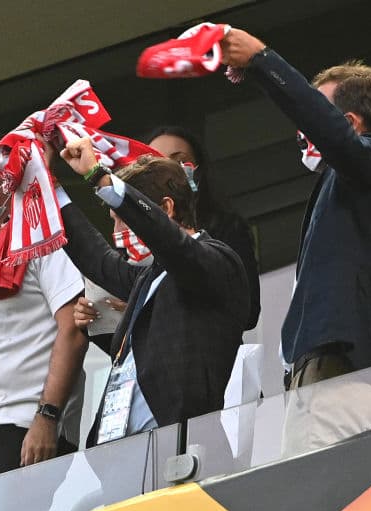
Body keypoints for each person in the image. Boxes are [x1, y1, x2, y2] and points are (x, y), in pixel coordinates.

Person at [219, 29, 371, 389]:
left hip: (341, 371)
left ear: (351, 123)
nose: (304, 129)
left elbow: (331, 135)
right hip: (321, 372)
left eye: (317, 112)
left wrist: (261, 60)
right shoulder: (348, 185)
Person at [59, 141, 249, 444]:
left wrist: (101, 178)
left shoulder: (215, 260)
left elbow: (175, 247)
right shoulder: (149, 276)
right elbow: (96, 257)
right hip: (121, 451)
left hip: (180, 447)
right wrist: (45, 185)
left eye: (123, 218)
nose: (117, 231)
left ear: (166, 209)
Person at [0, 133, 87, 474]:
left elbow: (73, 330)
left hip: (25, 426)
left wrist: (47, 417)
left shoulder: (42, 239)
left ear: (9, 178)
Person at [146, 125, 261, 331]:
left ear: (198, 170)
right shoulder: (136, 236)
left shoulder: (227, 228)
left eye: (178, 161)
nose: (167, 171)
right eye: (155, 164)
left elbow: (248, 310)